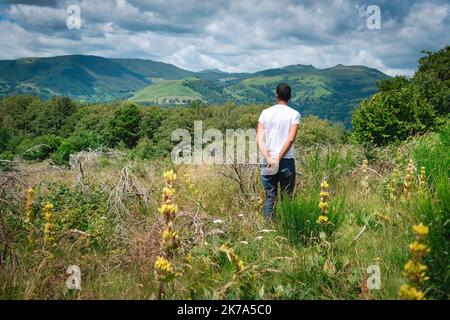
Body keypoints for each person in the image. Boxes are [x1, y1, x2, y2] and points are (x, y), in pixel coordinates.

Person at [256, 83, 301, 222]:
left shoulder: (265, 113)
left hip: (267, 162)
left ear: (276, 94)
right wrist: (278, 158)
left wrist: (270, 158)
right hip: (286, 160)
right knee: (287, 197)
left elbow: (259, 139)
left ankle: (268, 229)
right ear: (290, 96)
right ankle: (287, 228)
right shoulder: (294, 114)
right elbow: (290, 139)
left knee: (270, 197)